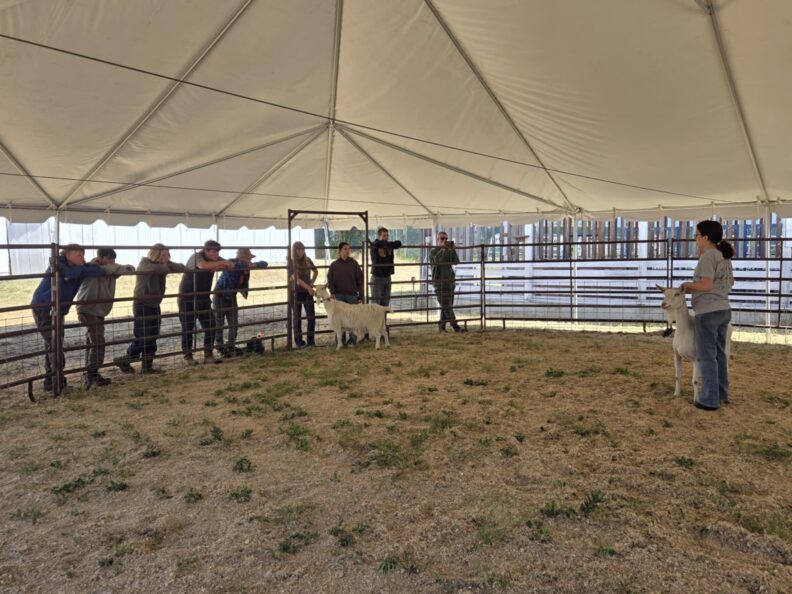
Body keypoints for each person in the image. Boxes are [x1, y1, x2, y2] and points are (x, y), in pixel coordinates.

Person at [30, 243, 105, 393]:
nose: (82, 258)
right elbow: (69, 274)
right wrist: (83, 269)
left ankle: (50, 382)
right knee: (55, 345)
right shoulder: (57, 263)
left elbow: (98, 270)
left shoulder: (76, 268)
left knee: (52, 345)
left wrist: (82, 268)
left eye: (83, 255)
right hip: (44, 308)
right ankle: (58, 383)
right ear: (67, 254)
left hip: (58, 310)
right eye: (79, 255)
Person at [681, 220, 734, 411]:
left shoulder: (707, 257)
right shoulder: (724, 257)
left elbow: (706, 285)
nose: (695, 238)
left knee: (707, 355)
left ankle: (710, 399)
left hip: (708, 311)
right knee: (720, 354)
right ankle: (722, 393)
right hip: (723, 309)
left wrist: (687, 285)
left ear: (705, 237)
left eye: (696, 235)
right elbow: (730, 283)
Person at [115, 244, 186, 374]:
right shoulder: (144, 264)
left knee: (153, 336)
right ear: (155, 254)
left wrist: (167, 264)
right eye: (163, 255)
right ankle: (127, 358)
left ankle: (146, 366)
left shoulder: (162, 265)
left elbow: (182, 267)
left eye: (167, 255)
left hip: (154, 304)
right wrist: (166, 266)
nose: (166, 257)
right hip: (142, 304)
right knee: (143, 337)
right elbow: (158, 269)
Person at [75, 248, 135, 388]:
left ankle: (91, 373)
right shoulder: (90, 268)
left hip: (97, 309)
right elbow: (119, 269)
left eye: (113, 260)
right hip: (89, 308)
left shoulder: (111, 269)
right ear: (101, 257)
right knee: (98, 342)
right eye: (110, 259)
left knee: (93, 342)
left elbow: (130, 269)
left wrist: (112, 267)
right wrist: (113, 268)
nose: (113, 262)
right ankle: (91, 373)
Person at [178, 240, 234, 364]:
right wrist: (219, 264)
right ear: (206, 250)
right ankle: (188, 356)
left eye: (218, 251)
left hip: (203, 297)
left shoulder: (215, 258)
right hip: (187, 297)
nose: (216, 254)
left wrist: (218, 264)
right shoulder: (196, 257)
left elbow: (230, 265)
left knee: (211, 325)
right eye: (213, 251)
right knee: (188, 327)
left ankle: (208, 354)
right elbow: (203, 266)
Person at [213, 248, 268, 357]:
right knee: (219, 323)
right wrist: (248, 265)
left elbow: (264, 263)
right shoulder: (232, 262)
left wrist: (253, 265)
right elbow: (237, 266)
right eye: (249, 258)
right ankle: (220, 347)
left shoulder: (246, 265)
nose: (250, 260)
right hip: (220, 295)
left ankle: (230, 345)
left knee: (233, 323)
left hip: (231, 296)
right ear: (242, 257)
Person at [327, 241, 364, 346]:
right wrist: (332, 292)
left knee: (353, 318)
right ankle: (340, 340)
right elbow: (330, 280)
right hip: (338, 296)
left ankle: (352, 340)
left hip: (352, 295)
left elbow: (360, 280)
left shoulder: (354, 264)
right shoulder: (334, 265)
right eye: (345, 249)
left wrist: (360, 294)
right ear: (340, 251)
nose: (348, 251)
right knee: (338, 319)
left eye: (349, 249)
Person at [429, 232, 466, 333]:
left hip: (449, 283)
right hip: (439, 284)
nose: (444, 241)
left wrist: (452, 250)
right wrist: (442, 250)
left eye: (446, 239)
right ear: (438, 240)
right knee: (447, 307)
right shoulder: (433, 251)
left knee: (446, 307)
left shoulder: (449, 251)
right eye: (442, 239)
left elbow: (456, 262)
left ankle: (442, 327)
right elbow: (436, 262)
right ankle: (456, 327)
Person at [289, 241, 318, 348]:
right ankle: (299, 342)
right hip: (296, 293)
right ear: (294, 250)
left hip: (307, 292)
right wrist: (309, 287)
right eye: (298, 249)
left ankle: (311, 341)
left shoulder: (308, 260)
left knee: (311, 316)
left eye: (302, 249)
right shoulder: (291, 262)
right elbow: (296, 279)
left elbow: (316, 271)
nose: (301, 251)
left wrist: (311, 282)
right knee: (297, 317)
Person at [369, 227, 402, 307]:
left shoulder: (387, 245)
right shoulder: (375, 246)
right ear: (379, 237)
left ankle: (383, 320)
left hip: (387, 277)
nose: (386, 238)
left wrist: (388, 244)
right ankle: (376, 320)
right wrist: (389, 244)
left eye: (387, 236)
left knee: (385, 303)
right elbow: (377, 244)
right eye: (384, 236)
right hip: (377, 277)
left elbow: (399, 243)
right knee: (376, 304)